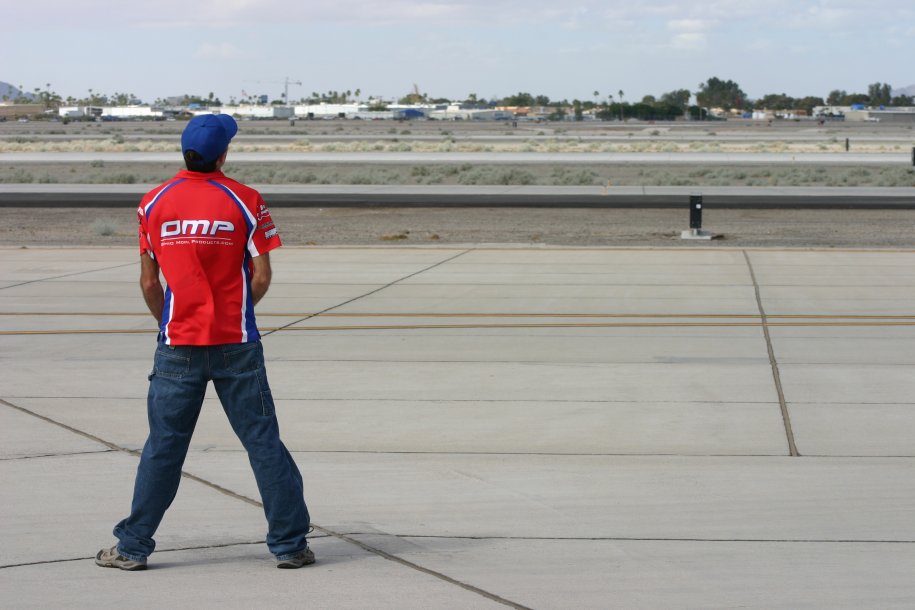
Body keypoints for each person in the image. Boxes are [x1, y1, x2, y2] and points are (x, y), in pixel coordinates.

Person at [95, 114, 313, 571]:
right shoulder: (246, 200)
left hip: (178, 345)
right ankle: (290, 545)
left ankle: (133, 547)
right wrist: (236, 312)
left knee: (164, 448)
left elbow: (149, 282)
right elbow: (261, 275)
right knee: (263, 443)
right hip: (237, 344)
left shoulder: (153, 202)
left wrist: (172, 323)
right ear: (223, 154)